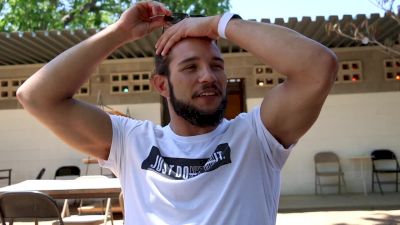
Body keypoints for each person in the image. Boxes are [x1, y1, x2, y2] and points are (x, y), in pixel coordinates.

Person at [17, 1, 338, 225]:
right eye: (190, 67)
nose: (208, 77)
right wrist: (120, 33)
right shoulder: (130, 141)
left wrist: (219, 24)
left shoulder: (257, 137)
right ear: (161, 84)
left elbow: (318, 67)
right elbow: (36, 96)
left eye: (216, 66)